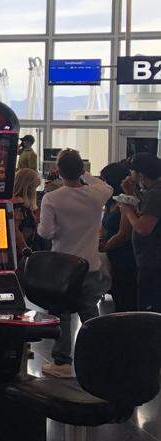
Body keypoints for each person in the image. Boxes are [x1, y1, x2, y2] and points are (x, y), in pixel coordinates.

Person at [36, 149, 113, 377]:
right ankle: (99, 358)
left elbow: (47, 233)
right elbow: (106, 186)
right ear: (81, 169)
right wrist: (86, 174)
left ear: (58, 171)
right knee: (90, 313)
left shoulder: (52, 198)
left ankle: (62, 363)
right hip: (90, 264)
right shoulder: (97, 195)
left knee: (61, 313)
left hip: (62, 267)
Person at [119, 152, 161, 311]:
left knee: (150, 309)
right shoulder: (152, 192)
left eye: (132, 172)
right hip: (150, 261)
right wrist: (130, 193)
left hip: (153, 263)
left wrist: (127, 209)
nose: (130, 175)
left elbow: (144, 228)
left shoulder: (155, 194)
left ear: (141, 174)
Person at [98, 162, 137, 311]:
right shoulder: (110, 202)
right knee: (117, 296)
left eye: (105, 181)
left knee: (125, 299)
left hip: (125, 256)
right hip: (112, 255)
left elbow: (124, 233)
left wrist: (105, 247)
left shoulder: (127, 201)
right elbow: (103, 225)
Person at [12, 168, 43, 254]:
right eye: (34, 188)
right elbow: (17, 233)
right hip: (23, 252)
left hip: (22, 250)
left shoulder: (13, 202)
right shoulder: (20, 206)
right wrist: (27, 253)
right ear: (28, 187)